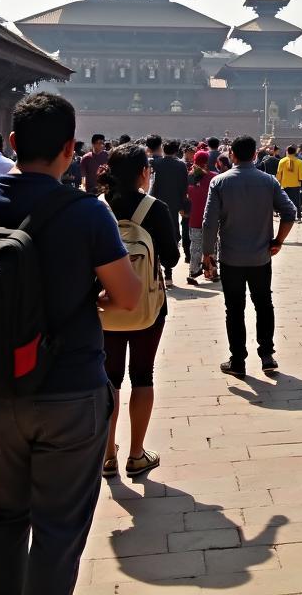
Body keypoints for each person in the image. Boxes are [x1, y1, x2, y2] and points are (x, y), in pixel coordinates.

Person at [0, 92, 141, 595]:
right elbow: (127, 298)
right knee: (57, 527)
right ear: (70, 148)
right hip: (70, 390)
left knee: (5, 514)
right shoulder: (87, 213)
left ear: (12, 143)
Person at [100, 142, 177, 480]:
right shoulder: (154, 208)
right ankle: (136, 454)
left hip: (103, 306)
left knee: (109, 378)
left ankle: (107, 455)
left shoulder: (97, 208)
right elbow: (173, 258)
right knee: (142, 375)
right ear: (144, 173)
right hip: (147, 304)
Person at [202, 135, 297, 378]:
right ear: (255, 155)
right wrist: (278, 241)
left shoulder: (220, 182)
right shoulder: (268, 181)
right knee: (264, 304)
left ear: (231, 155)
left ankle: (238, 361)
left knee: (234, 309)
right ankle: (267, 355)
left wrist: (207, 253)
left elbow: (209, 222)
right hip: (260, 257)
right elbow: (289, 212)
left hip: (231, 257)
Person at [149, 140, 187, 287]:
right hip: (173, 205)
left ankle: (157, 272)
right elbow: (184, 188)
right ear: (177, 151)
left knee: (156, 236)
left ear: (163, 150)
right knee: (171, 236)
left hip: (156, 204)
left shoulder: (155, 164)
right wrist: (183, 206)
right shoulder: (181, 165)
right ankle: (168, 271)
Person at [185, 151, 217, 283]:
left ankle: (193, 271)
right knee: (212, 245)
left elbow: (187, 196)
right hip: (211, 218)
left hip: (195, 217)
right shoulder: (214, 177)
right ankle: (211, 272)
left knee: (196, 246)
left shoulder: (190, 177)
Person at [276, 145, 302, 222]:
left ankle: (285, 215)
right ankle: (299, 217)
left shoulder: (282, 161)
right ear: (295, 152)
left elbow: (279, 174)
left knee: (285, 201)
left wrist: (278, 182)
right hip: (296, 185)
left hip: (284, 184)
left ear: (287, 151)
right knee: (296, 201)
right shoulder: (299, 162)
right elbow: (301, 176)